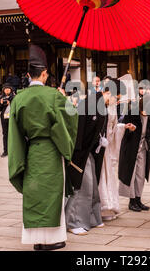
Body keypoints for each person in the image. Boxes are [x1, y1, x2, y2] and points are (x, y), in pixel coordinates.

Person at [8, 45, 78, 251]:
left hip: (32, 150)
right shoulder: (53, 96)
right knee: (53, 193)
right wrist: (63, 99)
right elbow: (71, 119)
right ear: (45, 73)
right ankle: (52, 239)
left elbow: (14, 134)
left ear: (29, 74)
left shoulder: (18, 98)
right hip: (51, 151)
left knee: (35, 193)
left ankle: (36, 240)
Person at [65, 90, 108, 235]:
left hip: (90, 151)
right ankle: (73, 222)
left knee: (93, 186)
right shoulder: (88, 104)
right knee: (82, 187)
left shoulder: (100, 105)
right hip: (80, 152)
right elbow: (78, 130)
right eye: (117, 97)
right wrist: (75, 154)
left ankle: (92, 217)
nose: (116, 101)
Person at [118, 96, 150, 212]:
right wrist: (129, 129)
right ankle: (132, 200)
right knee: (131, 174)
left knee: (140, 174)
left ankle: (138, 199)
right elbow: (123, 129)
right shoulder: (132, 113)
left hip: (144, 148)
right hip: (131, 147)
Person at [98, 79, 126, 221]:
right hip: (100, 146)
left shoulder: (112, 106)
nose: (117, 100)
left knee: (109, 176)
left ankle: (110, 207)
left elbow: (114, 128)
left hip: (108, 146)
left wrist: (123, 127)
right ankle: (102, 207)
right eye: (116, 97)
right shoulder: (98, 104)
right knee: (102, 177)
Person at [0, 83, 15, 157]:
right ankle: (5, 150)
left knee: (13, 134)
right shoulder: (1, 97)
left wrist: (10, 103)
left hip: (12, 118)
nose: (7, 90)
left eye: (8, 89)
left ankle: (13, 150)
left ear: (11, 89)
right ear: (3, 90)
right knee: (5, 134)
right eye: (5, 89)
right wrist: (0, 104)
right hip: (4, 119)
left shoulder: (14, 97)